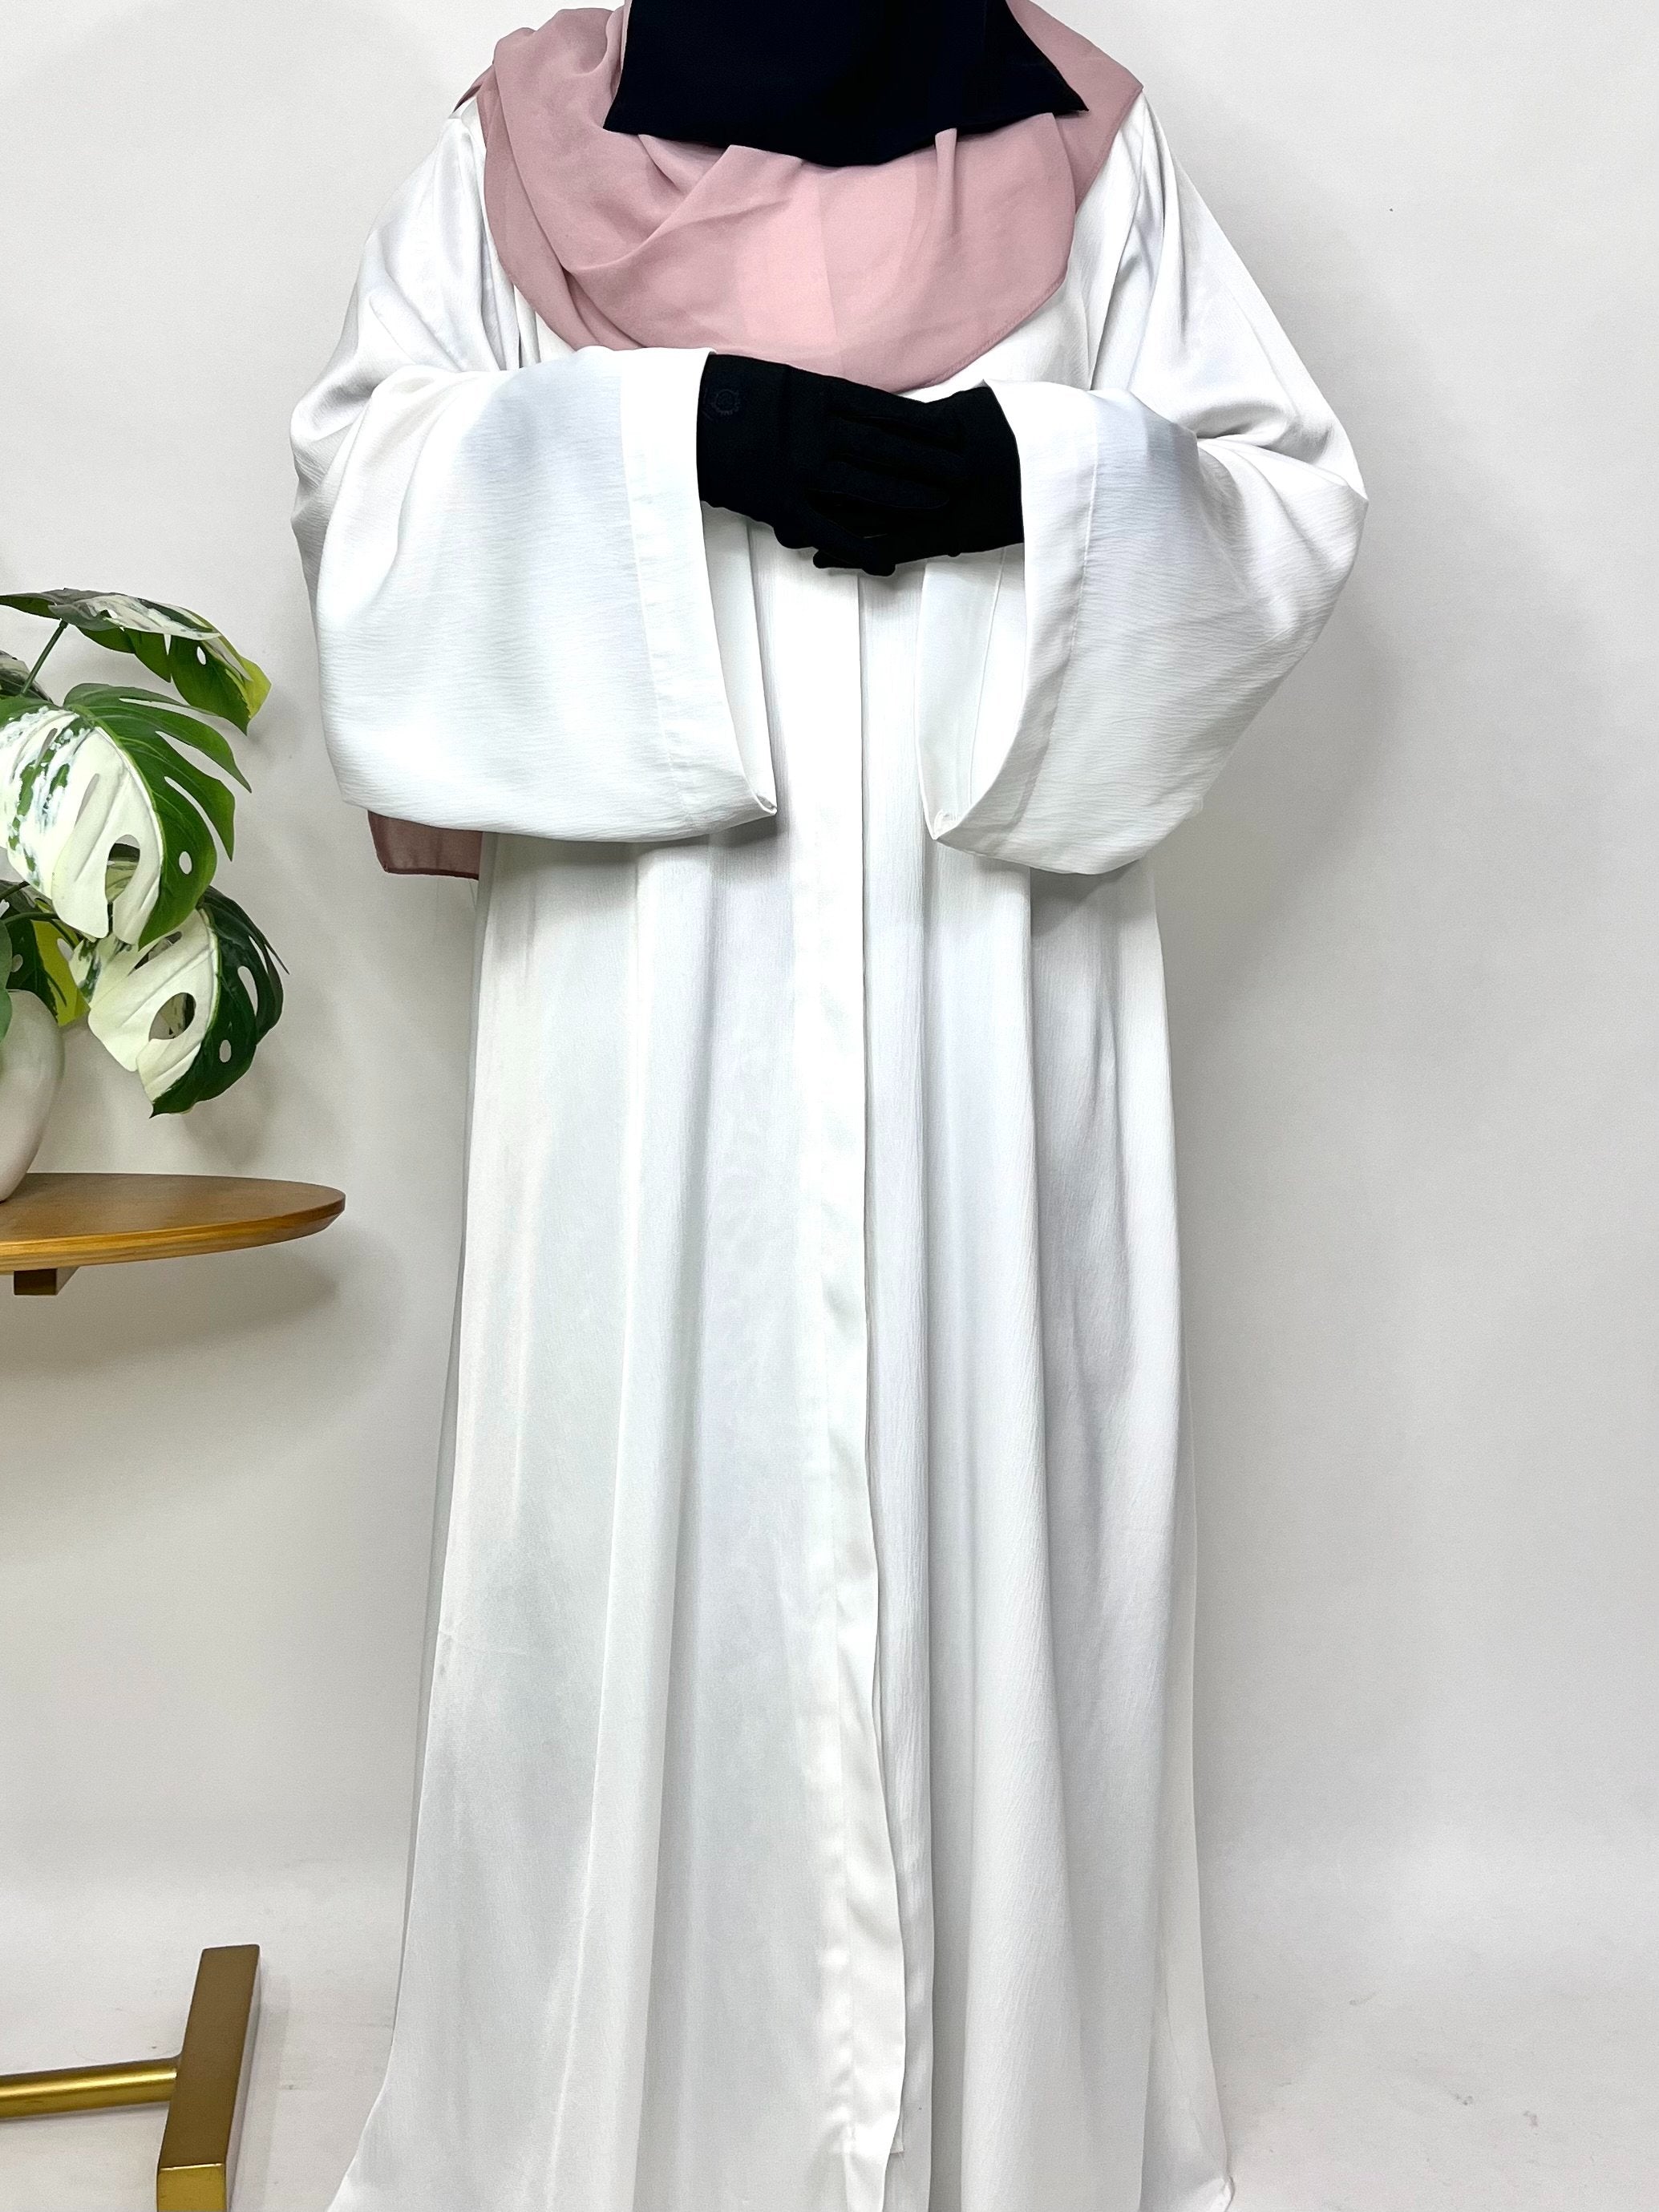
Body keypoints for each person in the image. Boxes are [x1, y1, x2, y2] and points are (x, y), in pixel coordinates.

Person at [291, 2, 1365, 2206]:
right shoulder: (525, 144)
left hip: (987, 965)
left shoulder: (1080, 145)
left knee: (992, 1462)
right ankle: (639, 2120)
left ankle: (992, 2121)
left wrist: (1031, 485)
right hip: (651, 979)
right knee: (636, 1501)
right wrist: (673, 437)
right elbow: (367, 483)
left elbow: (1279, 488)